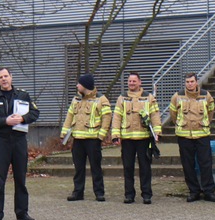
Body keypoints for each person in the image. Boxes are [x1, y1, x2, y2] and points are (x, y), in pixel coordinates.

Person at [0, 68, 39, 220]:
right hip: (1, 142)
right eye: (0, 77)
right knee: (0, 179)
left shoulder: (22, 95)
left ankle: (22, 213)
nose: (4, 79)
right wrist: (5, 121)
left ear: (11, 77)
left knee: (20, 178)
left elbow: (35, 113)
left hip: (19, 140)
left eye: (6, 76)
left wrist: (23, 118)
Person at [60, 73, 111, 202]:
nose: (77, 85)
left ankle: (99, 193)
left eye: (79, 83)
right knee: (78, 168)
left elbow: (107, 118)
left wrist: (101, 135)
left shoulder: (101, 99)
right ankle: (78, 192)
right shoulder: (75, 99)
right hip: (78, 139)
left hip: (93, 139)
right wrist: (64, 134)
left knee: (96, 167)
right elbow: (69, 116)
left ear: (85, 86)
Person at [111, 72, 161, 204]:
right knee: (128, 168)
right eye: (129, 81)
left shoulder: (148, 98)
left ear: (140, 82)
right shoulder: (122, 98)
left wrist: (157, 132)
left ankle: (146, 195)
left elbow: (155, 115)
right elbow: (117, 117)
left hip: (144, 138)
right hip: (127, 139)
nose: (131, 83)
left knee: (145, 167)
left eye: (134, 81)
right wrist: (115, 135)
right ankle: (129, 195)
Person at [170, 73, 215, 202]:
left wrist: (205, 123)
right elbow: (173, 114)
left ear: (196, 82)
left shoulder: (205, 95)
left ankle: (209, 192)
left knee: (206, 164)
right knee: (188, 165)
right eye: (187, 82)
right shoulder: (177, 96)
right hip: (184, 135)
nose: (189, 84)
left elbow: (211, 111)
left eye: (192, 81)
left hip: (202, 134)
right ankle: (194, 191)